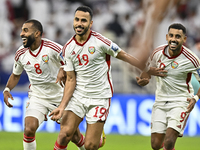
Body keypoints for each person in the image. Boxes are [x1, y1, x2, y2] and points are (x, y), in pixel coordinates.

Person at [49, 6, 167, 150]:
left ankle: (97, 139)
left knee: (91, 146)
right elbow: (71, 80)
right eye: (77, 20)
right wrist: (62, 106)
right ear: (73, 21)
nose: (79, 23)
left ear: (90, 23)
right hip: (78, 96)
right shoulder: (68, 48)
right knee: (64, 135)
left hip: (99, 97)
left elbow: (124, 55)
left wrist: (146, 69)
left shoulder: (100, 42)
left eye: (84, 21)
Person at [3, 19, 89, 150]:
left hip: (60, 96)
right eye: (21, 30)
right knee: (29, 128)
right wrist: (7, 89)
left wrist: (62, 69)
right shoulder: (20, 53)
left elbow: (72, 61)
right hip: (38, 97)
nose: (21, 34)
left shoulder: (52, 48)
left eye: (25, 30)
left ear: (37, 33)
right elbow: (15, 75)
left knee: (72, 136)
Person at [136, 23, 200, 150]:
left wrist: (195, 98)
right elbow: (145, 73)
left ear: (184, 39)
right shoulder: (157, 53)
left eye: (178, 36)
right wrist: (146, 77)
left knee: (170, 141)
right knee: (155, 145)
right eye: (171, 35)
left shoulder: (191, 59)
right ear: (166, 37)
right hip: (160, 101)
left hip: (180, 101)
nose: (174, 39)